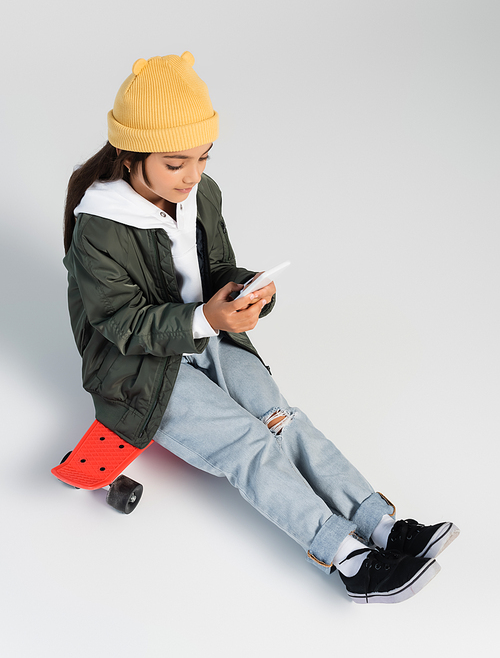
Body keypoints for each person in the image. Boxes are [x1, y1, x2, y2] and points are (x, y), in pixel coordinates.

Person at [63, 52, 459, 604]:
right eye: (176, 163)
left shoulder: (201, 194)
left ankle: (381, 525)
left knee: (282, 420)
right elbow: (118, 323)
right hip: (138, 364)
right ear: (131, 156)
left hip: (207, 337)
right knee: (248, 443)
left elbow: (218, 268)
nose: (192, 175)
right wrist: (206, 317)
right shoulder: (99, 227)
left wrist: (249, 290)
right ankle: (347, 559)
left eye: (203, 157)